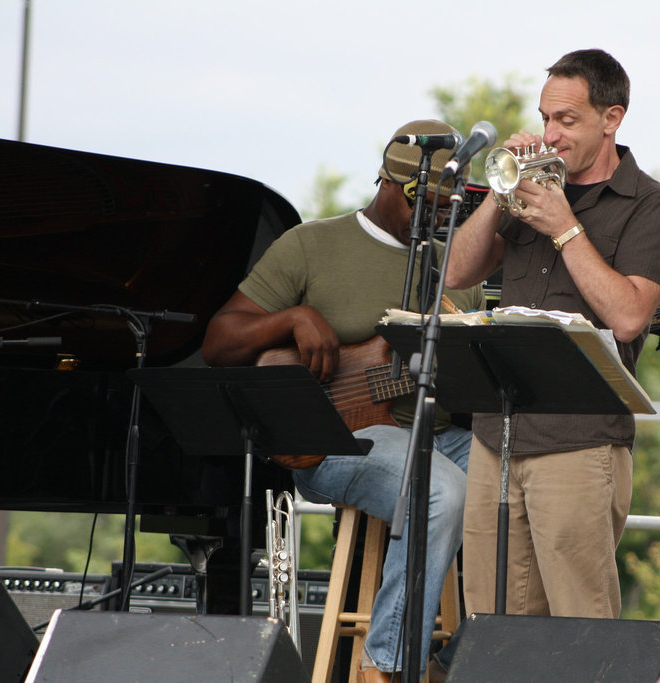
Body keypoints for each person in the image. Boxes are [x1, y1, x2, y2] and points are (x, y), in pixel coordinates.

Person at [201, 119, 484, 683]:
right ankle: (388, 664)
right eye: (425, 206)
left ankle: (470, 657)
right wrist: (294, 317)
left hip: (439, 432)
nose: (437, 220)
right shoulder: (313, 244)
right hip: (335, 441)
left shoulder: (457, 265)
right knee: (440, 492)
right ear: (387, 185)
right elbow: (218, 341)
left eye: (448, 208)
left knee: (525, 484)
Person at [445, 48, 660, 620]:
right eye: (546, 117)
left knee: (579, 623)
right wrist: (502, 190)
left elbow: (627, 317)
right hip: (495, 436)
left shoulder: (650, 205)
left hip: (580, 442)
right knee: (490, 618)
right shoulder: (530, 189)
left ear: (612, 118)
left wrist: (566, 228)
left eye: (568, 120)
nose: (551, 134)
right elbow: (455, 273)